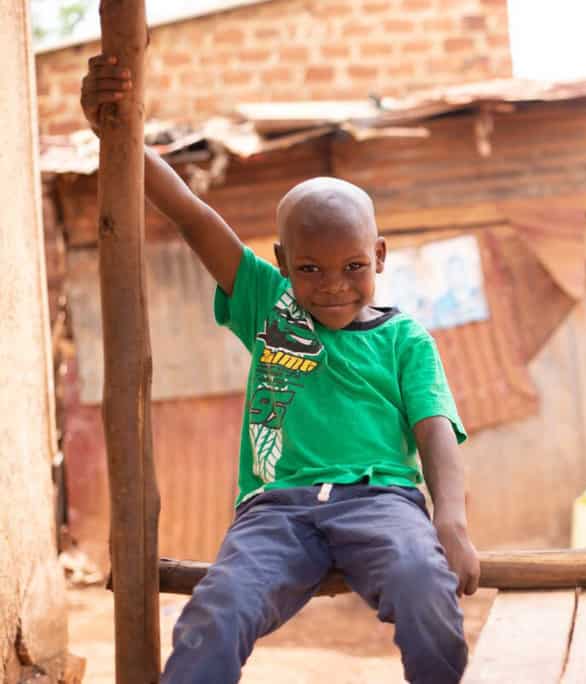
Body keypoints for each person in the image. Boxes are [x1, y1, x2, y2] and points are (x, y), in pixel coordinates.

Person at [81, 54, 480, 684]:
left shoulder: (405, 338)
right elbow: (190, 214)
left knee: (421, 582)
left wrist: (451, 522)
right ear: (282, 262)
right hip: (276, 511)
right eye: (309, 268)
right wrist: (115, 132)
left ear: (379, 253)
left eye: (354, 266)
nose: (332, 287)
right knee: (217, 611)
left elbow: (434, 430)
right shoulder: (271, 306)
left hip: (383, 501)